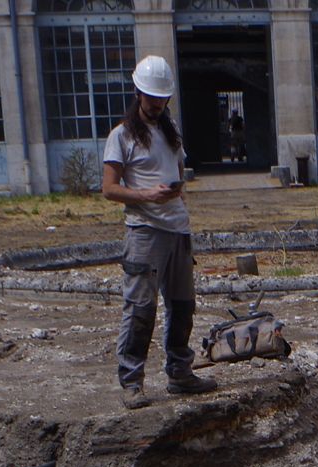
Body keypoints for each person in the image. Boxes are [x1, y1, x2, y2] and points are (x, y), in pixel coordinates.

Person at [101, 55, 214, 410]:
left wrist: (177, 197)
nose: (157, 104)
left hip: (177, 229)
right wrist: (147, 195)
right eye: (152, 99)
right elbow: (108, 188)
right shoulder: (121, 136)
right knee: (140, 309)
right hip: (145, 232)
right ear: (138, 93)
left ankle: (180, 372)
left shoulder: (170, 130)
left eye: (163, 99)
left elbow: (178, 169)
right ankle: (131, 381)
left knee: (182, 306)